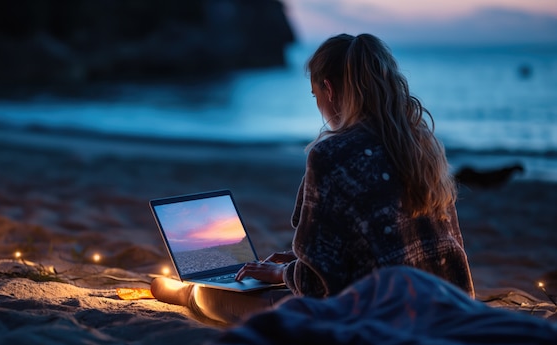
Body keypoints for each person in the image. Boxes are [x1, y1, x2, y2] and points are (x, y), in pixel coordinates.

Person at [151, 33, 474, 323]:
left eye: (314, 94)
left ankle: (181, 294)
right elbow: (385, 238)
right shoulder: (421, 142)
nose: (318, 103)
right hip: (447, 304)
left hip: (375, 315)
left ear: (329, 89)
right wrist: (298, 258)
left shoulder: (331, 154)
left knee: (213, 296)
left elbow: (319, 284)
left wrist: (282, 272)